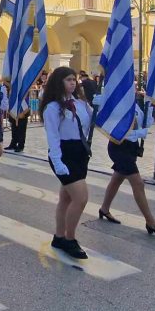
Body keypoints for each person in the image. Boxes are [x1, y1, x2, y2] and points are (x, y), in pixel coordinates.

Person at [94, 94, 155, 235]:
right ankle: (151, 222)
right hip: (119, 147)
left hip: (131, 149)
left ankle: (104, 209)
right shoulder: (118, 106)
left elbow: (146, 123)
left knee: (117, 179)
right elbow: (119, 130)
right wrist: (140, 133)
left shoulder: (137, 106)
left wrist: (148, 107)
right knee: (138, 183)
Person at [42, 67, 93, 260]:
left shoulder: (80, 104)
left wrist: (97, 107)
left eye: (74, 79)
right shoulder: (53, 107)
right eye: (68, 79)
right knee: (80, 198)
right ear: (59, 82)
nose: (73, 83)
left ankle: (59, 236)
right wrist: (57, 161)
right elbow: (53, 137)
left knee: (66, 198)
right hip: (64, 154)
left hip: (80, 153)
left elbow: (91, 123)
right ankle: (70, 239)